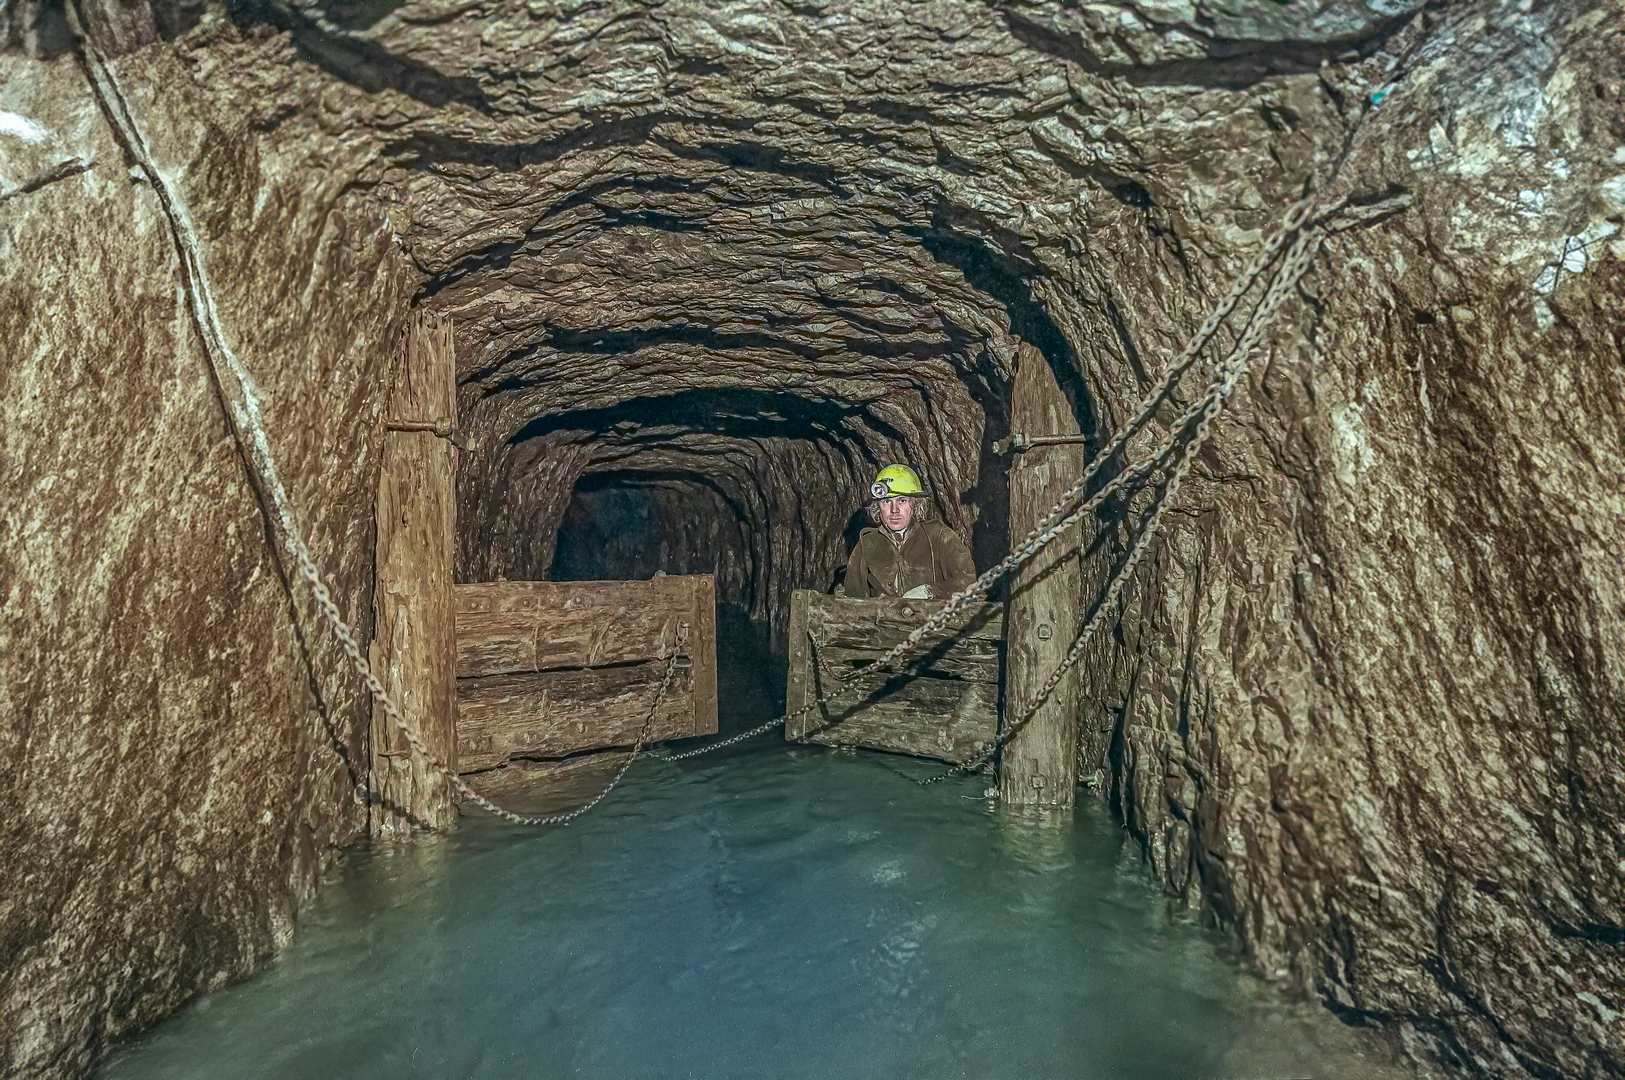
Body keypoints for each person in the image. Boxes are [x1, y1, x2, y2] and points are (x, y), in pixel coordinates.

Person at [841, 464, 975, 600]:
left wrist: (931, 591)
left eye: (902, 500)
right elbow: (852, 601)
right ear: (877, 507)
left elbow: (970, 583)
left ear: (915, 505)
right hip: (885, 621)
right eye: (887, 501)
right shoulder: (866, 544)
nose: (894, 510)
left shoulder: (939, 536)